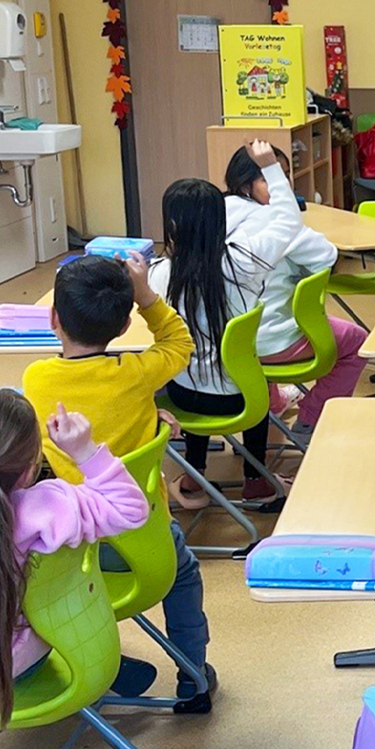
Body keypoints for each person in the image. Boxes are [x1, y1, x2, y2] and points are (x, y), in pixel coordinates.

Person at [21, 252, 215, 708]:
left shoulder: (37, 378)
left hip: (72, 549)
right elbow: (178, 341)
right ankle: (194, 673)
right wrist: (145, 292)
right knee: (184, 577)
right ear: (125, 325)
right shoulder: (136, 374)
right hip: (146, 542)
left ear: (53, 318)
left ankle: (96, 662)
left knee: (44, 588)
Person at [150, 139, 301, 506]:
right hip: (245, 397)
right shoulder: (245, 262)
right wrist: (270, 167)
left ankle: (194, 477)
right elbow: (288, 221)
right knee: (234, 371)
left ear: (171, 224)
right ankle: (255, 479)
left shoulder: (160, 274)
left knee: (187, 369)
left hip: (186, 398)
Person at [0, 392, 148, 726]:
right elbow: (131, 511)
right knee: (41, 616)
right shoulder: (49, 508)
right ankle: (110, 666)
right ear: (27, 470)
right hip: (15, 660)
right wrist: (85, 452)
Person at [225, 144, 367, 435]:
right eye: (271, 176)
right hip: (274, 343)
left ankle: (273, 401)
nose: (283, 185)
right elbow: (326, 256)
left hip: (229, 346)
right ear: (245, 184)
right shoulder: (275, 224)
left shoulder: (214, 216)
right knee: (358, 341)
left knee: (261, 308)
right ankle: (312, 417)